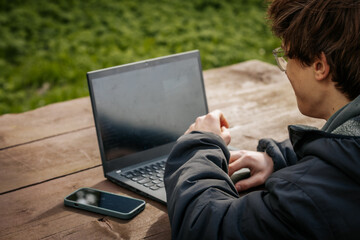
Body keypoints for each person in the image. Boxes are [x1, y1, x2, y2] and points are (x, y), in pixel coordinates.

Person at [164, 0, 360, 239]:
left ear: (319, 66)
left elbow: (205, 226)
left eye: (287, 56)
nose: (285, 69)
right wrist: (282, 158)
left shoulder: (308, 196)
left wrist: (200, 143)